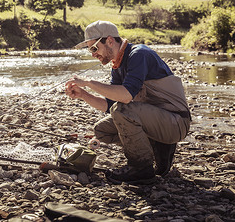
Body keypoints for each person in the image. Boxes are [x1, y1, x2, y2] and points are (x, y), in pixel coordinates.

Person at [65, 21, 191, 184]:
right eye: (90, 50)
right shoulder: (117, 66)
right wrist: (83, 94)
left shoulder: (138, 54)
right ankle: (158, 147)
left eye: (94, 48)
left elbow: (125, 97)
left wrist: (89, 82)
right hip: (156, 121)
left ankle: (141, 168)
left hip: (176, 122)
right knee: (102, 130)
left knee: (122, 111)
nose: (93, 54)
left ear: (110, 41)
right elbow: (109, 106)